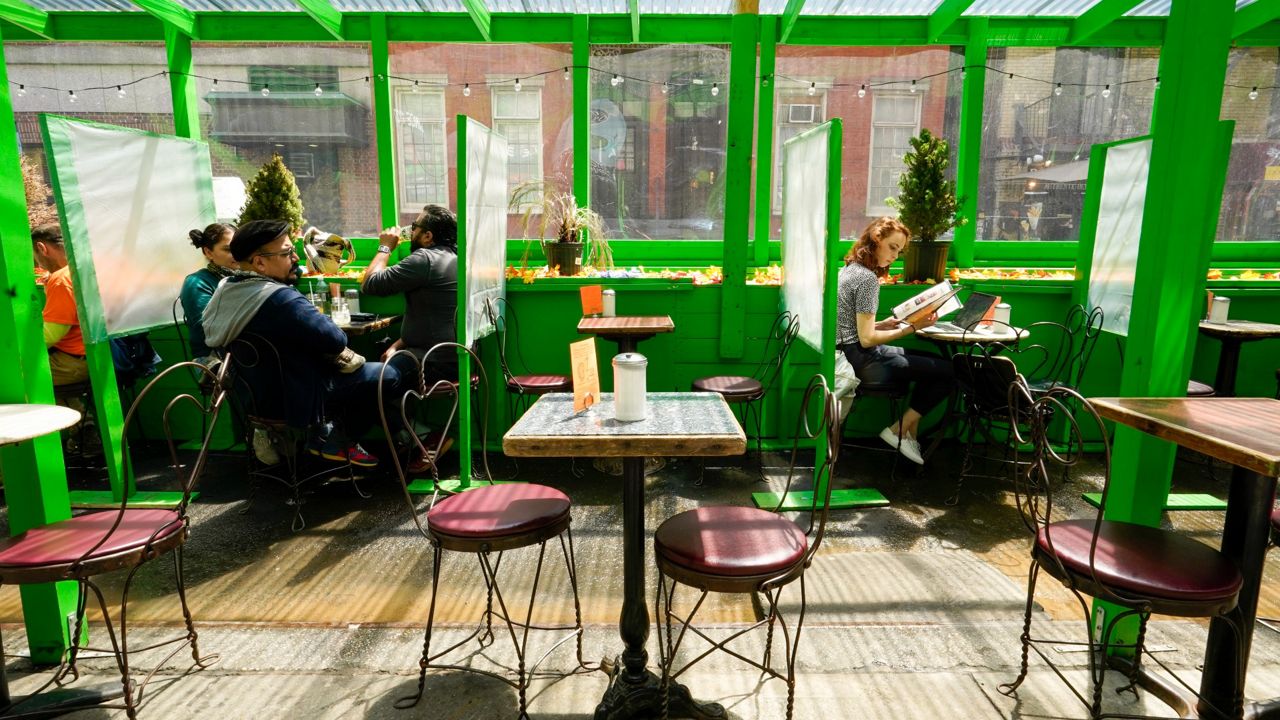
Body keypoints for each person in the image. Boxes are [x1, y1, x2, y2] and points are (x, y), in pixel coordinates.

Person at [202, 219, 401, 468]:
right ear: (260, 262)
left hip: (254, 401)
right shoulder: (280, 299)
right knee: (387, 374)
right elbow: (337, 339)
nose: (296, 257)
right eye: (287, 253)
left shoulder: (226, 290)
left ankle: (322, 436)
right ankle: (332, 438)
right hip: (299, 398)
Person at [836, 217, 954, 465]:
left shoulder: (849, 269)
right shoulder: (867, 279)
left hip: (849, 352)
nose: (895, 256)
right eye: (892, 247)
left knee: (935, 361)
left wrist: (883, 324)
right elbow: (867, 340)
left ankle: (907, 432)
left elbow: (849, 326)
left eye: (899, 251)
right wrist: (912, 326)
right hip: (865, 360)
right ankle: (899, 430)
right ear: (877, 238)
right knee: (950, 372)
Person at [361, 205, 459, 461]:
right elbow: (435, 319)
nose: (409, 231)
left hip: (429, 362)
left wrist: (385, 247)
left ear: (428, 236)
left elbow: (370, 284)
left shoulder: (425, 259)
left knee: (365, 384)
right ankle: (414, 438)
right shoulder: (456, 258)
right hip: (454, 358)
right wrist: (398, 344)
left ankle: (422, 436)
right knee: (371, 376)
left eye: (414, 227)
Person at [33, 224, 88, 387]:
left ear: (41, 248)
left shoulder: (61, 280)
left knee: (15, 375)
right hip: (103, 356)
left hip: (75, 362)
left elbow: (51, 335)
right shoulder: (82, 268)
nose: (39, 265)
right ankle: (76, 411)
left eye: (35, 257)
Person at [180, 222, 237, 361]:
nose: (237, 253)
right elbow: (206, 327)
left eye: (240, 247)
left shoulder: (242, 277)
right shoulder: (197, 282)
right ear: (208, 252)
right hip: (213, 360)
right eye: (229, 249)